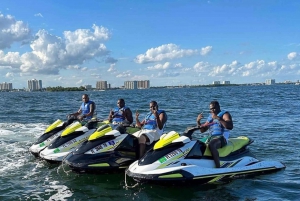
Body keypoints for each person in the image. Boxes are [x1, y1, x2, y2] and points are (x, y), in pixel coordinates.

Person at [196, 100, 233, 168]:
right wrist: (198, 121)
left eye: (214, 108)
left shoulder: (225, 114)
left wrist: (218, 118)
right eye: (211, 109)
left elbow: (230, 126)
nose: (212, 110)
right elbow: (202, 130)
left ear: (219, 107)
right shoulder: (210, 117)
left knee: (211, 144)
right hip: (211, 137)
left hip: (222, 138)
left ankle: (218, 167)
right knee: (196, 144)